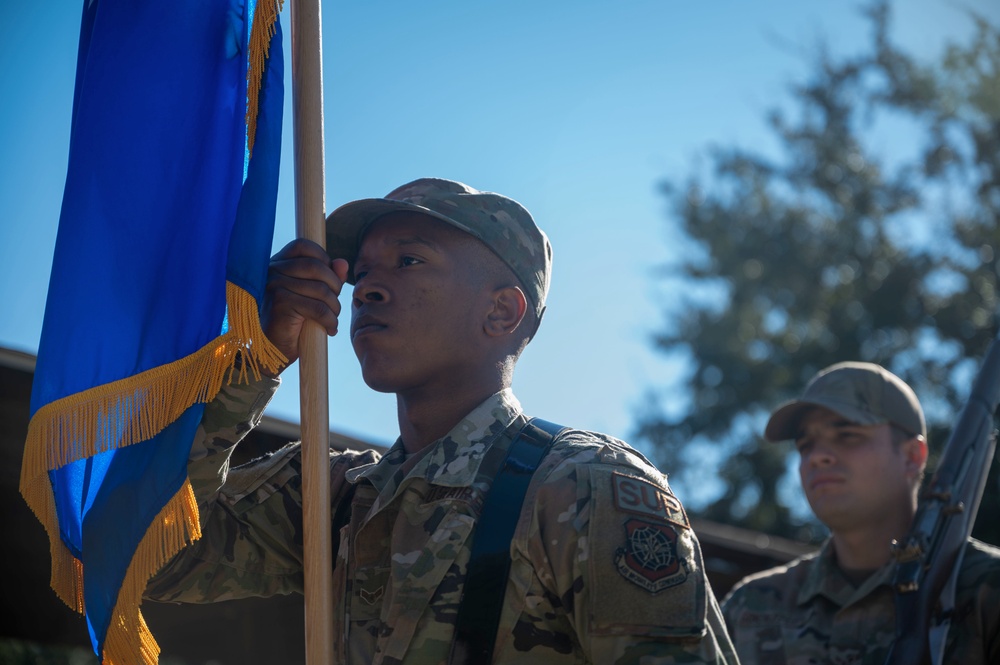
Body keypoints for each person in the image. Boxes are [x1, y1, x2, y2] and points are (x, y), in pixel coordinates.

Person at [147, 177, 737, 663]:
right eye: (361, 273)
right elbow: (148, 557)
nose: (366, 288)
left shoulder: (583, 487)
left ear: (501, 310)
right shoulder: (336, 499)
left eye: (408, 261)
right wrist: (256, 358)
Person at [720, 361, 1000, 664]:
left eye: (847, 435)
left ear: (912, 456)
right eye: (805, 445)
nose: (817, 457)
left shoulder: (987, 591)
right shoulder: (749, 609)